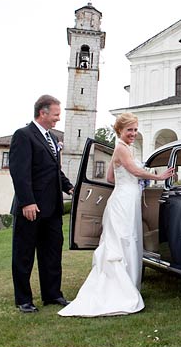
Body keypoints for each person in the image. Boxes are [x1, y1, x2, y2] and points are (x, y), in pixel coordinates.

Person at [58, 112, 174, 317]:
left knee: (125, 240)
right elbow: (134, 170)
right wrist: (157, 176)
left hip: (123, 198)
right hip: (124, 202)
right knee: (123, 241)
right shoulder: (121, 148)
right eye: (129, 129)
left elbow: (111, 177)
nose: (133, 133)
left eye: (135, 129)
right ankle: (121, 291)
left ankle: (126, 284)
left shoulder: (121, 148)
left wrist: (128, 182)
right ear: (120, 130)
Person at [9, 94, 74, 313]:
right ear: (42, 113)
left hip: (53, 208)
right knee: (24, 255)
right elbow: (20, 172)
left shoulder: (53, 139)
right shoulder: (23, 135)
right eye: (56, 114)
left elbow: (54, 171)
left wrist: (70, 188)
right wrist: (27, 201)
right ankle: (24, 300)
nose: (58, 118)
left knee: (52, 254)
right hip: (31, 208)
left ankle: (53, 294)